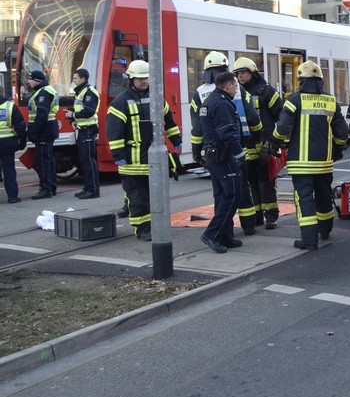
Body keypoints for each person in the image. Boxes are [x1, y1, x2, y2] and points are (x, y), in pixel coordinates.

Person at [272, 60, 348, 250]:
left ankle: (309, 240)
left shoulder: (294, 100)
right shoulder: (331, 101)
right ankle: (325, 231)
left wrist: (275, 142)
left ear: (300, 80)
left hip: (301, 163)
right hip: (324, 163)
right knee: (323, 196)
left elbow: (282, 129)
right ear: (320, 80)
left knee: (304, 198)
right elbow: (342, 133)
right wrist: (338, 148)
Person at [106, 60, 183, 240]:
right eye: (140, 79)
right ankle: (142, 229)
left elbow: (168, 121)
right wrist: (118, 156)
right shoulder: (120, 102)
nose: (144, 82)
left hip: (153, 160)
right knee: (138, 198)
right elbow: (114, 132)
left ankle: (153, 225)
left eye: (146, 78)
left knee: (154, 196)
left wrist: (176, 139)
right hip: (132, 162)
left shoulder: (157, 97)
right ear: (131, 79)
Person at [190, 51, 262, 235]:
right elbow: (253, 117)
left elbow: (197, 127)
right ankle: (249, 225)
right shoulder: (237, 87)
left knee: (220, 192)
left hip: (214, 150)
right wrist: (257, 137)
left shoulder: (199, 93)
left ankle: (225, 230)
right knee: (241, 186)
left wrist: (197, 151)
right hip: (239, 144)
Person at [198, 72, 246, 254]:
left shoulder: (211, 100)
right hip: (223, 156)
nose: (236, 89)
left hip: (214, 156)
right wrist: (239, 154)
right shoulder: (221, 104)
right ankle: (212, 234)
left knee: (221, 196)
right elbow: (227, 133)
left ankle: (225, 235)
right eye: (235, 86)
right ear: (227, 85)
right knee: (233, 194)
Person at [233, 57, 283, 229]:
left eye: (243, 72)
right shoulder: (235, 94)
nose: (240, 76)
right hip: (245, 147)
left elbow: (281, 117)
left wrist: (272, 143)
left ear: (252, 73)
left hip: (264, 146)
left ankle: (271, 216)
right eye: (238, 73)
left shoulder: (266, 92)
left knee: (266, 182)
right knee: (251, 183)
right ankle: (257, 217)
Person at [25, 70, 59, 199]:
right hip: (48, 128)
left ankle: (46, 189)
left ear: (37, 81)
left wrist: (33, 132)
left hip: (44, 130)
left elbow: (41, 115)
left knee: (43, 161)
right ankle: (51, 186)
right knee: (48, 159)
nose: (28, 82)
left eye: (30, 79)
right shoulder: (47, 90)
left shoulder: (43, 93)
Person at [71, 68, 101, 199]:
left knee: (89, 161)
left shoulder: (89, 92)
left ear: (83, 79)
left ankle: (93, 190)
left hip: (88, 130)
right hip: (83, 129)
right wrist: (74, 119)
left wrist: (72, 114)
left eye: (75, 78)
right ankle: (87, 188)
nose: (73, 80)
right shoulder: (81, 92)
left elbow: (89, 111)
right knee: (84, 161)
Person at [0, 87, 28, 203]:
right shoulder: (9, 106)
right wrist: (22, 143)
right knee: (9, 170)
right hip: (7, 143)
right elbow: (20, 127)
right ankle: (12, 197)